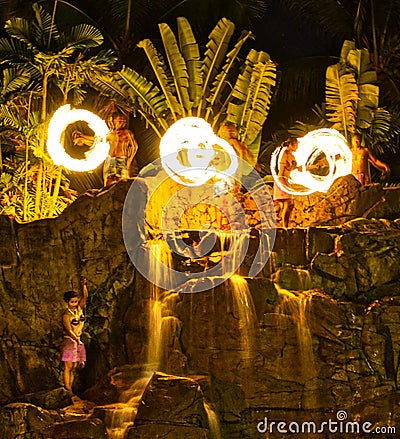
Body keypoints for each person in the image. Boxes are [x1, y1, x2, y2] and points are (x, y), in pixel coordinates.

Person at [73, 111, 139, 186]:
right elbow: (97, 141)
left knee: (121, 182)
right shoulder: (110, 134)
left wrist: (129, 161)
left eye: (123, 120)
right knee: (108, 183)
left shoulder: (127, 133)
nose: (122, 122)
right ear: (113, 121)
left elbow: (135, 147)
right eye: (119, 120)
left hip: (121, 159)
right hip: (110, 160)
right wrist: (82, 137)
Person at [61, 277, 88, 392]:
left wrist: (84, 285)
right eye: (72, 302)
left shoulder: (79, 309)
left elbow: (85, 297)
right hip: (69, 341)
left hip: (78, 341)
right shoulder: (66, 315)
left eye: (76, 301)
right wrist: (76, 339)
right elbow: (69, 330)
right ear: (67, 302)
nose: (74, 303)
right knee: (68, 366)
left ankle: (70, 388)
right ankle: (67, 388)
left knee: (75, 367)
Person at [273, 137, 299, 228]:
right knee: (288, 203)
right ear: (290, 145)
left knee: (290, 205)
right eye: (295, 145)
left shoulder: (292, 156)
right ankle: (284, 226)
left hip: (286, 180)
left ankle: (285, 225)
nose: (297, 147)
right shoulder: (285, 153)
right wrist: (280, 182)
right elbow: (283, 168)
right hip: (281, 180)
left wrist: (314, 167)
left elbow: (295, 168)